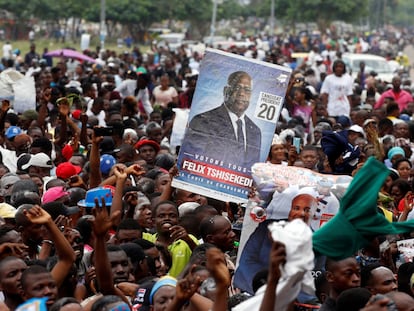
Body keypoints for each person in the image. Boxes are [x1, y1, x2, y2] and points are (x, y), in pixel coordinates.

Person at [182, 71, 262, 170]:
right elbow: (190, 160)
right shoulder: (203, 121)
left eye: (247, 90)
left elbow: (253, 169)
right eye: (237, 88)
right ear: (226, 91)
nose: (241, 94)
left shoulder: (255, 131)